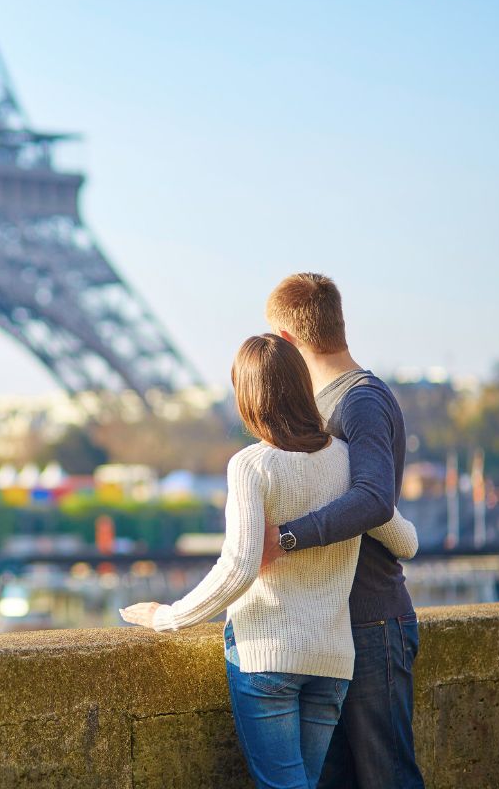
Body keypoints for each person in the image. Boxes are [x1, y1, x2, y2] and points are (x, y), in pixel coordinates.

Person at [121, 334, 417, 789]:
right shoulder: (345, 463)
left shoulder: (250, 466)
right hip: (332, 662)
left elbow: (239, 566)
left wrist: (168, 616)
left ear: (247, 399)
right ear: (302, 386)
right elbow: (406, 540)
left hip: (267, 655)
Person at [260, 273, 426, 788]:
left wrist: (286, 536)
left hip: (372, 622)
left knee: (386, 778)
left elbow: (376, 499)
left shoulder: (360, 402)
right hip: (337, 627)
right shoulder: (334, 403)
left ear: (287, 342)